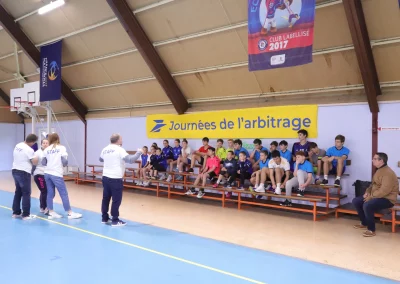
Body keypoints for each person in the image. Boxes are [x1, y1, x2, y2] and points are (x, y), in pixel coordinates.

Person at [352, 153, 399, 237]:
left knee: (367, 204)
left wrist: (371, 197)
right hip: (376, 196)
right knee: (356, 201)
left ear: (381, 161)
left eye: (375, 159)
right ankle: (364, 223)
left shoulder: (388, 173)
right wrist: (367, 193)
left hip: (387, 199)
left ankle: (371, 230)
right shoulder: (379, 170)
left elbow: (385, 190)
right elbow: (372, 185)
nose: (372, 160)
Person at [100, 133, 142, 226]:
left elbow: (100, 159)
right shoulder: (119, 149)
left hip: (105, 177)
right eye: (121, 139)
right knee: (116, 199)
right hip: (115, 178)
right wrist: (138, 153)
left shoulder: (105, 149)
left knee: (105, 198)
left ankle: (104, 218)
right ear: (118, 140)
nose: (122, 141)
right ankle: (115, 220)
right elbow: (130, 160)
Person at [42, 133, 82, 219]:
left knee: (50, 193)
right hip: (56, 174)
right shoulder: (61, 148)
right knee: (63, 193)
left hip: (47, 173)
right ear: (58, 138)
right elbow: (64, 162)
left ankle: (51, 212)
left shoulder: (46, 150)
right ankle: (70, 212)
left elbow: (43, 163)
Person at [11, 134, 39, 220]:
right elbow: (34, 162)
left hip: (15, 170)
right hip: (23, 172)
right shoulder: (29, 150)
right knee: (26, 193)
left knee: (18, 191)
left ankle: (16, 212)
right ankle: (26, 214)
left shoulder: (18, 145)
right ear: (32, 142)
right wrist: (36, 156)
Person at [33, 138, 50, 213]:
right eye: (44, 143)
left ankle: (43, 206)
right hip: (39, 174)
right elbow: (34, 163)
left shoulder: (50, 152)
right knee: (44, 190)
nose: (45, 144)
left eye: (47, 143)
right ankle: (44, 207)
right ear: (41, 144)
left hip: (47, 174)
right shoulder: (37, 153)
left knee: (45, 191)